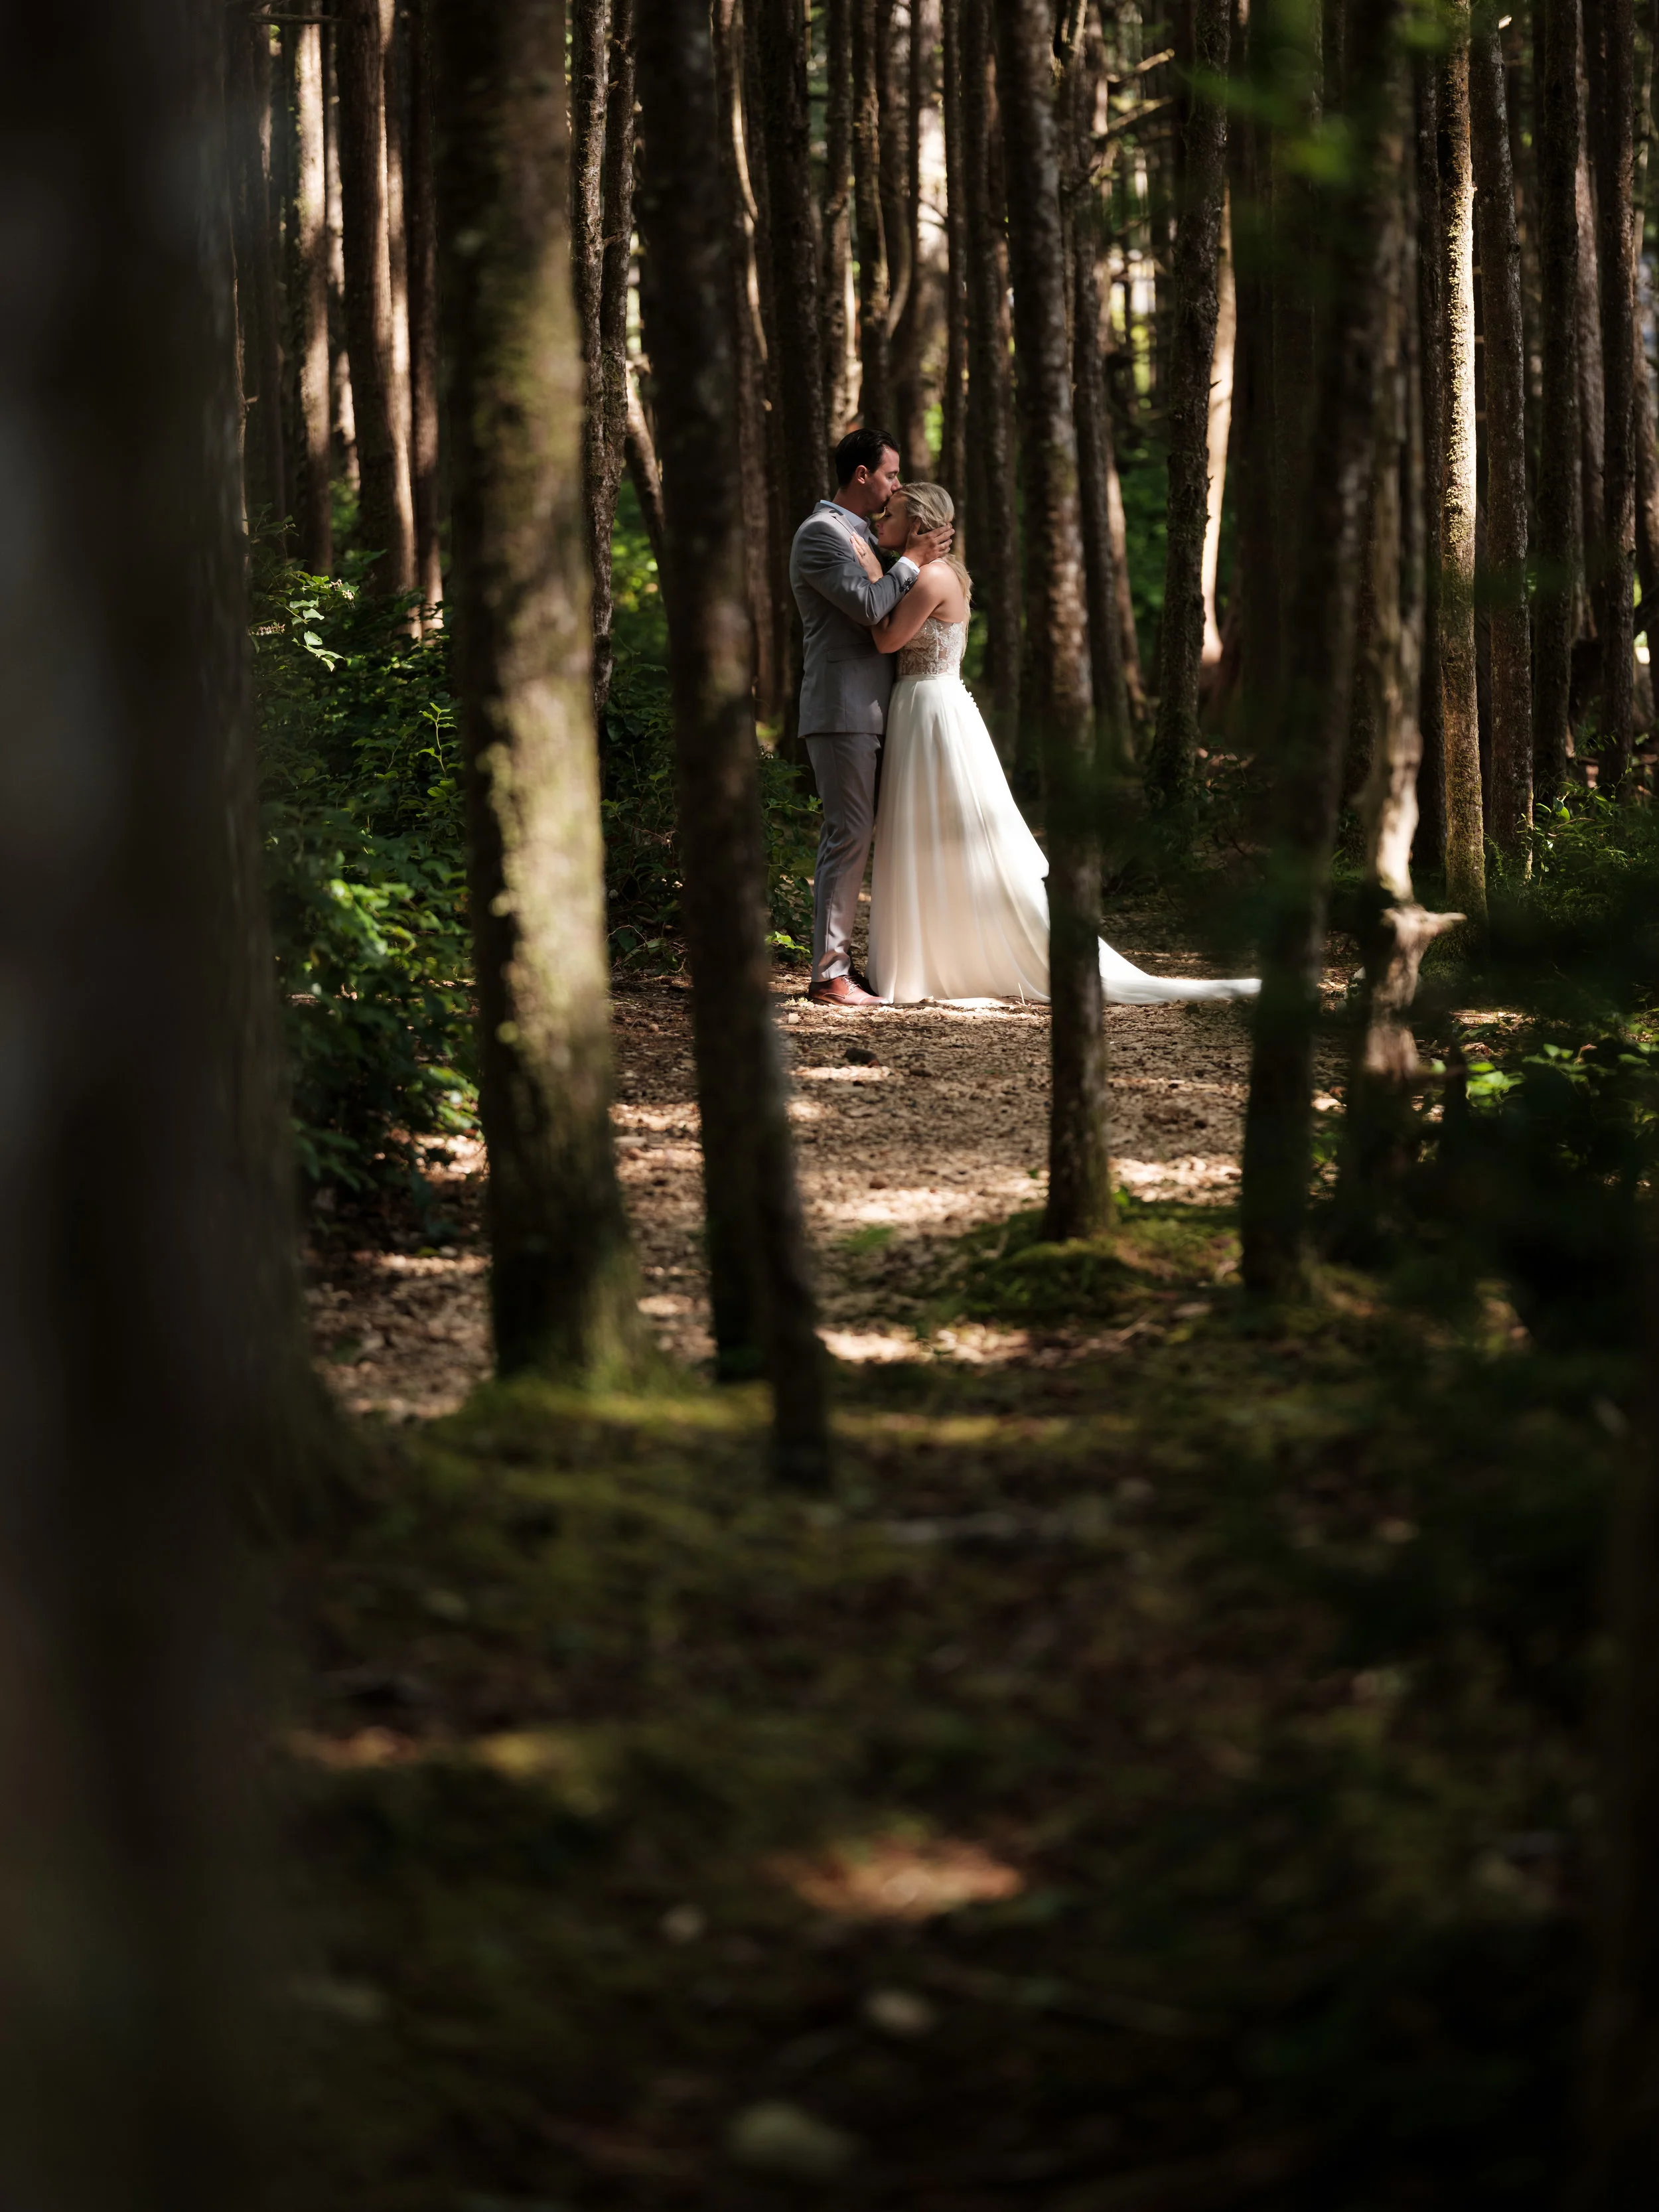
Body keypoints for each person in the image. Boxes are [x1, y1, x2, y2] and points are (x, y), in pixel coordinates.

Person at [861, 482, 1260, 1008]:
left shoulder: (931, 575)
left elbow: (888, 639)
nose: (878, 521)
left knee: (945, 829)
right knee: (923, 830)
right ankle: (927, 955)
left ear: (917, 527)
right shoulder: (932, 572)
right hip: (922, 707)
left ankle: (942, 959)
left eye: (889, 515)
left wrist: (877, 574)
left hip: (931, 711)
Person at [788, 427, 955, 1007]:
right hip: (842, 709)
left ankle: (864, 963)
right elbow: (866, 606)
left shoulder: (862, 535)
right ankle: (829, 974)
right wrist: (910, 559)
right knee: (848, 833)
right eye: (890, 474)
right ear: (862, 475)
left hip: (878, 709)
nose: (897, 484)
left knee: (868, 835)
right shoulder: (820, 534)